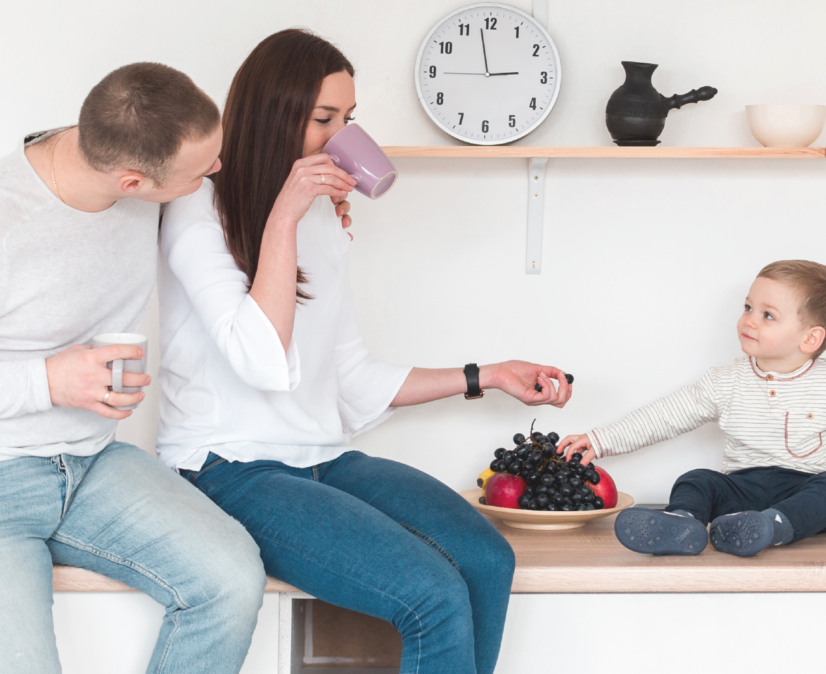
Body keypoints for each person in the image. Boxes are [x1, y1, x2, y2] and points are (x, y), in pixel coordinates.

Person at [156, 29, 573, 674]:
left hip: (324, 456)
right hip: (227, 468)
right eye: (324, 119)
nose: (340, 136)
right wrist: (284, 217)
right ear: (273, 112)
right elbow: (260, 359)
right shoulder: (197, 206)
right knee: (430, 595)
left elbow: (349, 378)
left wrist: (485, 375)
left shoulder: (323, 217)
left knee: (487, 560)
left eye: (348, 120)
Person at [0, 63, 266, 674]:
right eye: (202, 168)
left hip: (90, 464)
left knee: (230, 580)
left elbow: (202, 171)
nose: (214, 172)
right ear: (133, 181)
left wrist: (311, 207)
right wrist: (48, 380)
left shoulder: (112, 150)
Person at [559, 260, 826, 557]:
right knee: (697, 480)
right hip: (743, 487)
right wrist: (602, 439)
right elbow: (666, 415)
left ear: (810, 338)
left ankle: (773, 527)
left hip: (806, 489)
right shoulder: (725, 381)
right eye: (748, 307)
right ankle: (683, 523)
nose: (748, 320)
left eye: (768, 315)